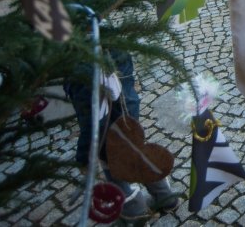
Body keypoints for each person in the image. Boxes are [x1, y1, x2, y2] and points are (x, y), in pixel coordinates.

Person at [65, 49, 179, 221]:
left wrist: (84, 157)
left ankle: (136, 212)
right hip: (129, 126)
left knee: (115, 172)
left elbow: (92, 122)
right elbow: (130, 93)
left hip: (109, 139)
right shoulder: (116, 49)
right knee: (141, 158)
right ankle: (166, 197)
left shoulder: (80, 69)